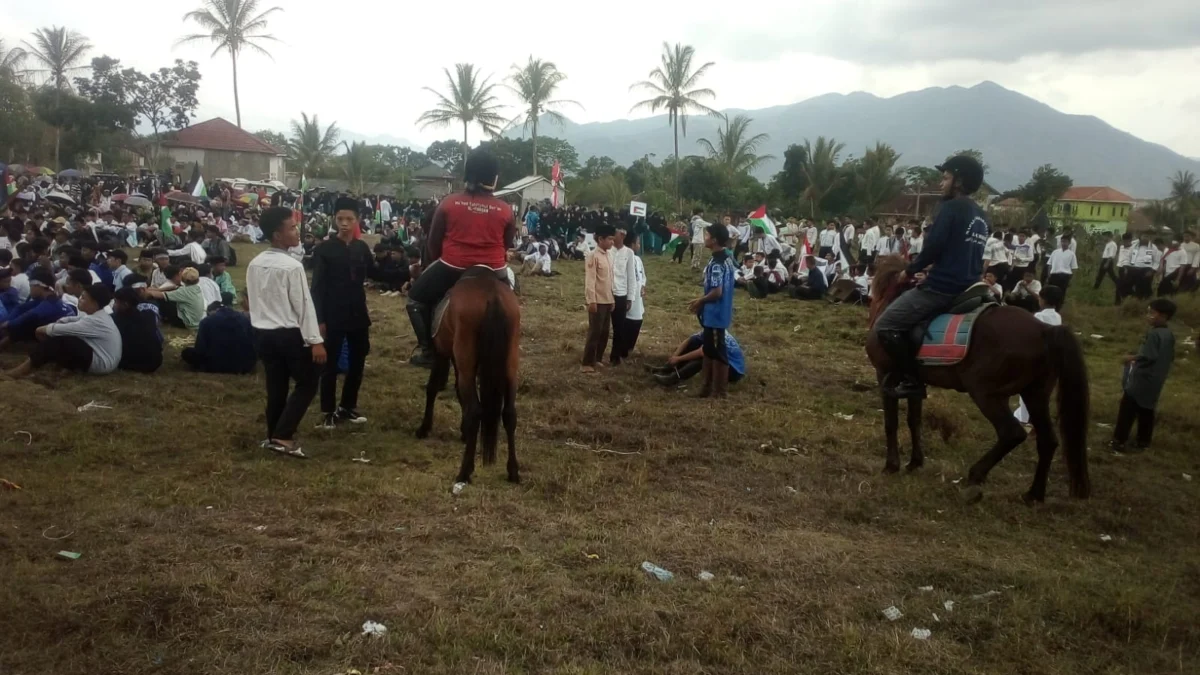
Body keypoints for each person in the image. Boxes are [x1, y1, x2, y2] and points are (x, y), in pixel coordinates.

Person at [872, 155, 989, 398]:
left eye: (945, 178)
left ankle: (911, 379)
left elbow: (934, 247)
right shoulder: (981, 215)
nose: (941, 183)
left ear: (959, 181)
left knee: (885, 325)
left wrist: (910, 271)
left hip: (943, 287)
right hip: (971, 286)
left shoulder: (950, 208)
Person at [405, 148, 515, 367]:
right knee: (511, 302)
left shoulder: (448, 203)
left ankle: (427, 349)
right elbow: (507, 243)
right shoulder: (506, 209)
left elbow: (433, 242)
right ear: (493, 177)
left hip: (452, 266)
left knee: (415, 300)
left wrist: (432, 262)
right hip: (494, 269)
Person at [246, 207, 325, 458]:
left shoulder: (255, 263)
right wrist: (315, 341)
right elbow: (304, 306)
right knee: (308, 382)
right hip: (289, 334)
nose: (297, 232)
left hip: (262, 333)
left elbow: (253, 301)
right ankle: (283, 435)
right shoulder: (292, 267)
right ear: (277, 235)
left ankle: (273, 434)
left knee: (276, 385)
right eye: (291, 227)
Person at [311, 196, 374, 428]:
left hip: (358, 313)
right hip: (333, 314)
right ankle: (327, 411)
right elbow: (317, 288)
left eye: (349, 219)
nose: (344, 223)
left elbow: (374, 272)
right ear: (334, 220)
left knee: (358, 361)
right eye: (340, 219)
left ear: (358, 220)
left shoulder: (361, 247)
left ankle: (347, 406)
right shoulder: (325, 249)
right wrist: (319, 320)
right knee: (330, 364)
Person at [3, 284, 121, 379]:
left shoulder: (96, 321)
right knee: (61, 336)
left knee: (60, 340)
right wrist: (62, 320)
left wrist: (43, 329)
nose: (79, 299)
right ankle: (58, 366)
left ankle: (21, 370)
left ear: (94, 304)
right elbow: (76, 320)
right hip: (102, 357)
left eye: (84, 298)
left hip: (102, 364)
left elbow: (63, 329)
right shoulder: (98, 315)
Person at [1111, 299, 1176, 452]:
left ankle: (1119, 440)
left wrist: (1131, 358)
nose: (1148, 316)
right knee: (1147, 410)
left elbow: (1149, 356)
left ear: (1164, 316)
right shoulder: (1169, 334)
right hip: (1156, 379)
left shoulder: (1154, 334)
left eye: (1152, 313)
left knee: (1127, 409)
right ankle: (1143, 441)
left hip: (1142, 379)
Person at [687, 223, 736, 398]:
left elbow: (717, 292)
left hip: (716, 314)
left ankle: (719, 391)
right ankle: (706, 387)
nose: (704, 238)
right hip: (718, 313)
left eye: (707, 235)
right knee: (709, 349)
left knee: (717, 352)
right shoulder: (727, 257)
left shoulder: (717, 263)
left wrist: (700, 300)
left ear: (714, 240)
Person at [1013, 285, 1064, 425]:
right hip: (1051, 359)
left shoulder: (1038, 316)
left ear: (1042, 299)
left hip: (1037, 356)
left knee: (1026, 389)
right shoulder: (1058, 316)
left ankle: (1024, 418)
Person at [0, 268, 77, 350]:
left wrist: (7, 324)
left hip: (63, 344)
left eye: (31, 286)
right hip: (65, 337)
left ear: (38, 286)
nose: (30, 290)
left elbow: (24, 319)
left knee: (23, 327)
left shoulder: (48, 304)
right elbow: (22, 308)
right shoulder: (53, 299)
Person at [181, 302, 257, 374]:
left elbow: (200, 349)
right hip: (245, 366)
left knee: (187, 352)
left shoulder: (206, 321)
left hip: (215, 365)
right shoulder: (244, 319)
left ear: (211, 312)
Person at [650, 329, 746, 387]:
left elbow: (702, 352)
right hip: (725, 363)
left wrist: (679, 359)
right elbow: (690, 340)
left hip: (734, 371)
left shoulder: (716, 334)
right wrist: (675, 356)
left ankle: (673, 378)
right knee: (695, 341)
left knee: (705, 359)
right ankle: (667, 368)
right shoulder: (713, 328)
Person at [581, 224, 616, 374]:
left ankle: (598, 359)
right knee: (594, 332)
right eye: (609, 239)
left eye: (613, 239)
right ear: (600, 239)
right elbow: (590, 280)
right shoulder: (593, 256)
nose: (612, 242)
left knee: (604, 332)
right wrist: (591, 300)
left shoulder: (609, 255)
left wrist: (612, 299)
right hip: (597, 300)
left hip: (607, 299)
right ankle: (586, 362)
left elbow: (610, 279)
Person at [110, 287, 163, 373]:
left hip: (133, 362)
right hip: (155, 361)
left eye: (116, 302)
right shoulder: (149, 315)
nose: (113, 305)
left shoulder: (116, 320)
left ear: (125, 305)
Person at [609, 227, 637, 366]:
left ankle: (615, 356)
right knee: (602, 328)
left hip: (621, 294)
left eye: (616, 234)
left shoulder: (629, 253)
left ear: (622, 236)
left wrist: (630, 297)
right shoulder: (608, 251)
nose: (614, 237)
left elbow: (631, 276)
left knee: (619, 328)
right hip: (606, 293)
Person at [622, 236, 646, 360]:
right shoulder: (624, 259)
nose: (639, 245)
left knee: (638, 321)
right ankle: (623, 351)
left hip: (638, 297)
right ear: (632, 244)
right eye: (638, 243)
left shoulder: (638, 259)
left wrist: (642, 286)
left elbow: (642, 276)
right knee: (629, 322)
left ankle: (629, 349)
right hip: (628, 296)